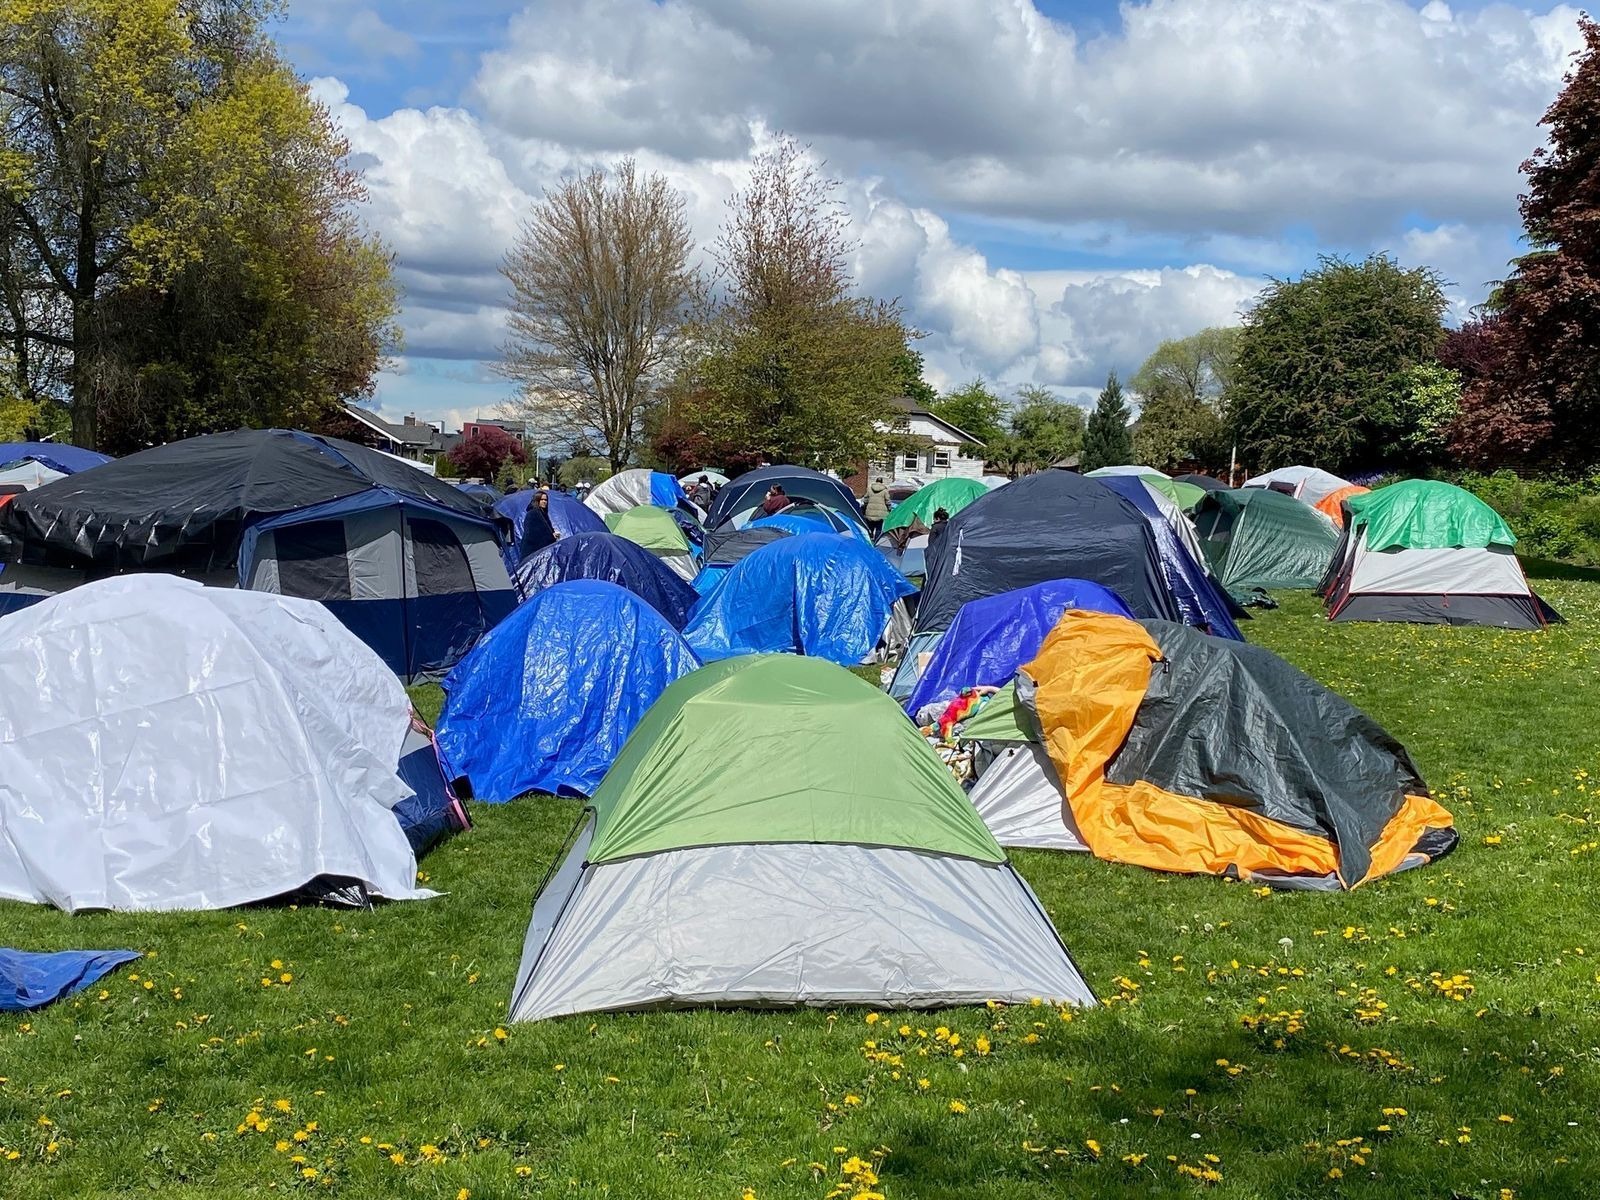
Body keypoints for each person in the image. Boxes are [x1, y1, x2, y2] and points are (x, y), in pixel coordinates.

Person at [862, 475, 890, 539]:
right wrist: (889, 509)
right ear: (882, 482)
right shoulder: (885, 491)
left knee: (870, 528)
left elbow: (865, 500)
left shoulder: (869, 489)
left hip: (870, 512)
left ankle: (870, 539)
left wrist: (865, 507)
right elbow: (888, 501)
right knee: (878, 529)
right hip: (880, 514)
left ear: (876, 481)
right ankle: (876, 540)